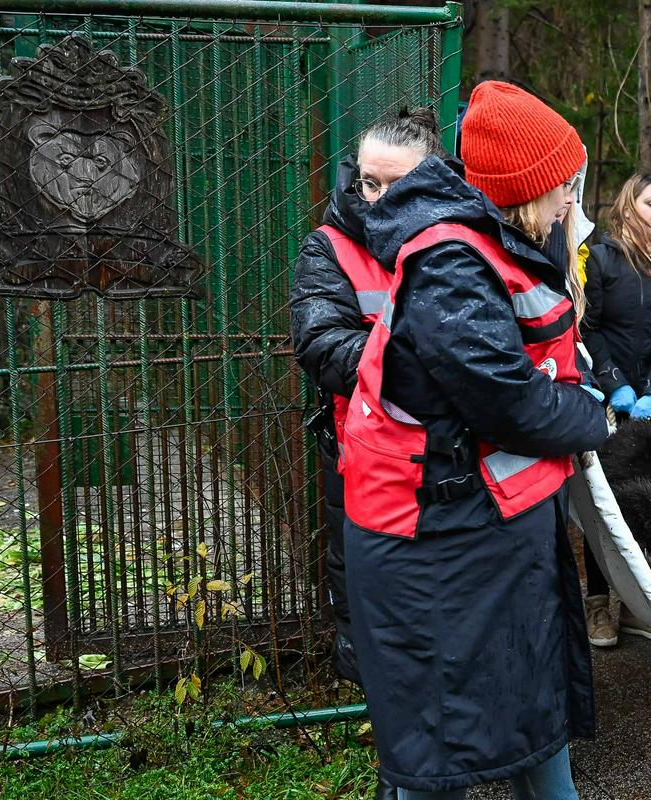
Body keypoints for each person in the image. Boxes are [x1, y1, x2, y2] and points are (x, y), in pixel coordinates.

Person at [341, 80, 609, 799]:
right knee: (440, 750)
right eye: (564, 186)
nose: (569, 203)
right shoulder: (453, 262)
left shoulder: (482, 244)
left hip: (477, 526)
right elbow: (506, 399)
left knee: (524, 718)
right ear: (527, 187)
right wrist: (592, 417)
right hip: (432, 539)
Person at [290, 108, 444, 800]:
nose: (377, 198)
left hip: (447, 458)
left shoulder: (458, 237)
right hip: (361, 459)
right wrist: (426, 360)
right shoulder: (329, 247)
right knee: (367, 604)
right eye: (368, 182)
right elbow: (322, 345)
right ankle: (394, 754)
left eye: (396, 184)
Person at [580, 174, 651, 646]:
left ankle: (638, 605)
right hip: (609, 402)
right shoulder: (602, 258)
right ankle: (598, 604)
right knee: (603, 503)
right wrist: (614, 384)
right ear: (628, 207)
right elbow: (589, 326)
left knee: (650, 500)